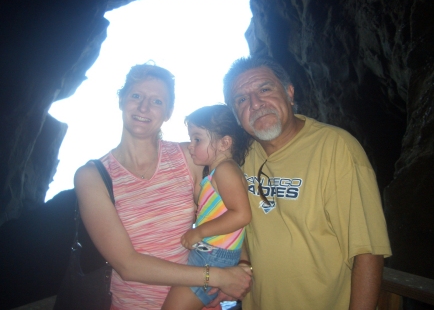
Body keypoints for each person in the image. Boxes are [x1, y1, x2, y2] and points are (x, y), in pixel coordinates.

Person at [210, 56, 392, 310]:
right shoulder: (239, 159)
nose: (255, 104)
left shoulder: (336, 148)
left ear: (290, 93)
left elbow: (368, 251)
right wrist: (240, 267)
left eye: (265, 89)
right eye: (241, 99)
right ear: (236, 116)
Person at [74, 64, 251, 310]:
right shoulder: (93, 177)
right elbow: (128, 265)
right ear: (121, 99)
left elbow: (231, 211)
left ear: (168, 112)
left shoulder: (189, 158)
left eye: (157, 101)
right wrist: (218, 277)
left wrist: (240, 268)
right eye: (136, 96)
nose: (144, 107)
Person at [162, 105, 253, 310]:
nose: (191, 146)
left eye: (197, 139)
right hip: (211, 254)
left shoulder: (225, 170)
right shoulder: (216, 172)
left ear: (225, 143)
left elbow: (242, 215)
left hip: (213, 256)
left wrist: (199, 231)